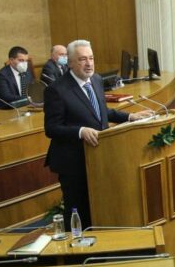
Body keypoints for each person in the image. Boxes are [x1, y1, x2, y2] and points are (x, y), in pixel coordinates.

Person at [43, 40, 153, 228]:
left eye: (91, 58)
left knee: (99, 205)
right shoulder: (57, 90)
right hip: (73, 161)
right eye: (82, 59)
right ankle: (76, 243)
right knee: (78, 208)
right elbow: (51, 128)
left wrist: (130, 116)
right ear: (70, 63)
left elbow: (102, 112)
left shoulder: (96, 80)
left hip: (98, 157)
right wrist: (80, 131)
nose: (89, 64)